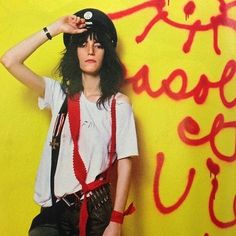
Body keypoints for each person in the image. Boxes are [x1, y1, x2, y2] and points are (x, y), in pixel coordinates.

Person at [0, 8, 138, 236]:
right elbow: (9, 60)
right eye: (82, 44)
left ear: (107, 52)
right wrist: (55, 29)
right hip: (54, 212)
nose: (90, 50)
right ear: (74, 52)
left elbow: (125, 163)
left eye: (98, 45)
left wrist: (116, 220)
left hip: (96, 212)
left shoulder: (118, 104)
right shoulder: (59, 94)